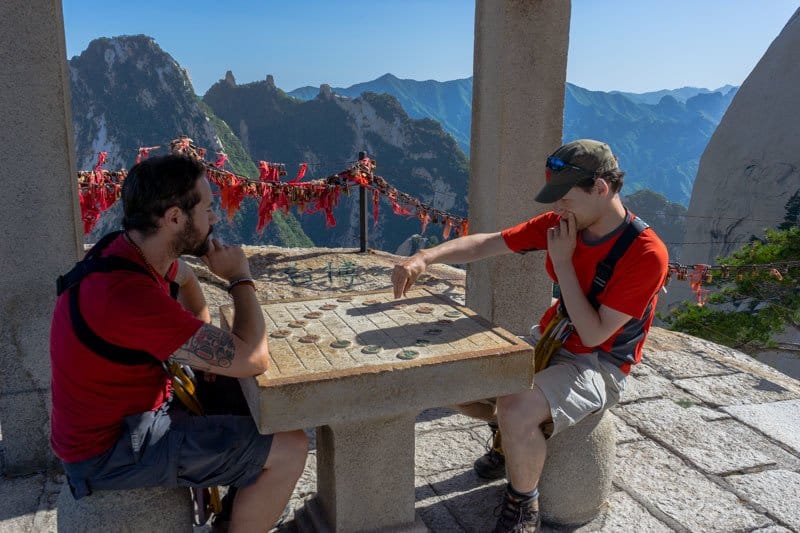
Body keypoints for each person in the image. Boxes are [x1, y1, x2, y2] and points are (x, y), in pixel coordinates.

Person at [392, 139, 668, 532]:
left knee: (517, 407)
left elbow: (593, 335)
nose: (557, 208)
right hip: (551, 335)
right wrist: (424, 258)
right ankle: (506, 436)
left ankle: (523, 506)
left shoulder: (645, 253)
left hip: (600, 362)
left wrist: (562, 263)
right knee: (447, 378)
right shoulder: (565, 226)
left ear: (601, 189)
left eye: (565, 197)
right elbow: (490, 242)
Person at [50, 154, 308, 532]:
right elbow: (254, 358)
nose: (214, 218)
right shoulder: (128, 296)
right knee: (291, 447)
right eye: (206, 208)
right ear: (174, 218)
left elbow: (186, 282)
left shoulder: (128, 250)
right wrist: (240, 278)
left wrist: (201, 341)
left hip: (120, 417)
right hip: (111, 450)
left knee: (242, 396)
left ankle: (244, 501)